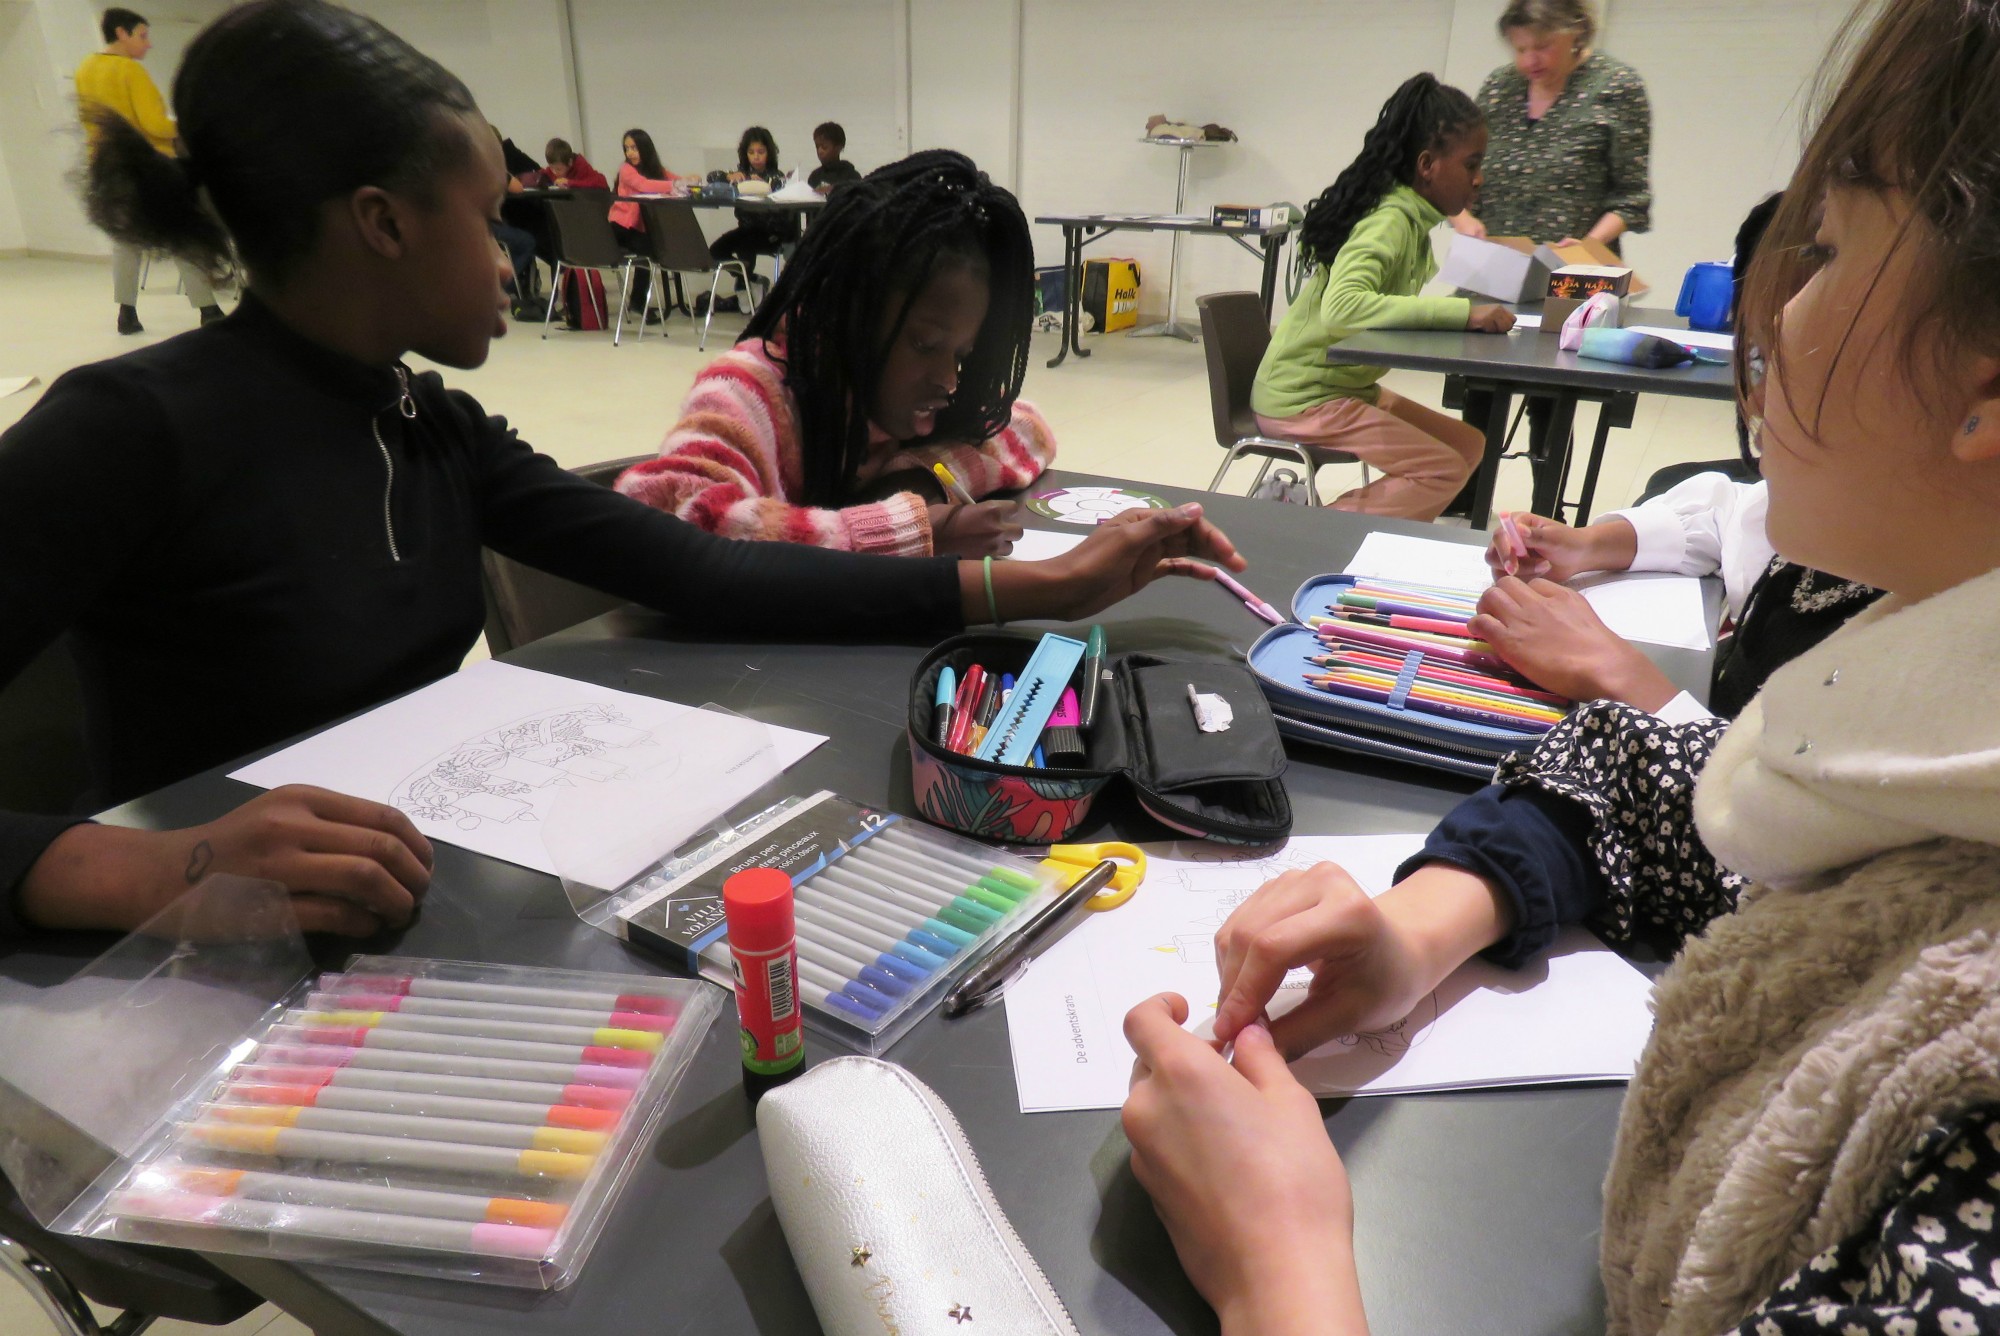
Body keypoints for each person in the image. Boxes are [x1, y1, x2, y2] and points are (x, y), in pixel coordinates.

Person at [0, 0, 1243, 947]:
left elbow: (704, 570)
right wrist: (158, 871)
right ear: (379, 222)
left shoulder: (432, 426)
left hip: (400, 915)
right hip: (192, 964)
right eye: (489, 222)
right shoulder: (129, 431)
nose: (510, 261)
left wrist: (1047, 590)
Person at [1122, 3, 2000, 1332]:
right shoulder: (1917, 756)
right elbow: (1646, 779)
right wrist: (1422, 929)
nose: (1776, 312)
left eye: (1827, 249)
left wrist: (1278, 1273)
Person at [616, 151, 1053, 556]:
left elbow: (1029, 428)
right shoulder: (749, 392)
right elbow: (670, 518)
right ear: (851, 317)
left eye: (961, 354)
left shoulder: (898, 409)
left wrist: (915, 478)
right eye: (924, 344)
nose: (950, 379)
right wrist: (910, 530)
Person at [1252, 74, 1512, 522]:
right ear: (1427, 165)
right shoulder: (1390, 219)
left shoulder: (1410, 220)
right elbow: (1343, 308)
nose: (1478, 179)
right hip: (1302, 398)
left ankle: (1387, 531)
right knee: (1440, 471)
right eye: (1471, 164)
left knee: (1468, 445)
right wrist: (1462, 315)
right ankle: (1307, 531)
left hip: (1344, 387)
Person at [1448, 0, 1651, 250]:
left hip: (1572, 272)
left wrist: (1588, 246)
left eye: (1543, 47)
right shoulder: (1499, 87)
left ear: (1576, 34)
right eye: (1520, 50)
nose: (1530, 61)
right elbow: (1455, 168)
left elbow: (1631, 198)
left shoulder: (1616, 87)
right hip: (1491, 266)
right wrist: (1461, 217)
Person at [75, 7, 223, 334]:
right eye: (142, 35)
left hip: (107, 167)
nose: (148, 44)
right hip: (150, 168)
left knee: (125, 242)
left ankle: (126, 314)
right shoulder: (131, 71)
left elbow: (90, 121)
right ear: (122, 33)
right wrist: (190, 126)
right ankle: (208, 310)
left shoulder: (86, 68)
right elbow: (154, 124)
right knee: (183, 232)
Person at [705, 126, 792, 313]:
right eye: (751, 152)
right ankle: (751, 280)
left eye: (761, 152)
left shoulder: (775, 176)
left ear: (769, 152)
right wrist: (729, 176)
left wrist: (762, 185)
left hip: (770, 233)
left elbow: (780, 186)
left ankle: (742, 285)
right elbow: (712, 176)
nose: (756, 157)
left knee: (746, 245)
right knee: (715, 251)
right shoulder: (741, 174)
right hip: (746, 229)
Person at [606, 128, 680, 318]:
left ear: (645, 149)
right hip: (620, 226)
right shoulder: (626, 170)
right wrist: (674, 186)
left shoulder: (654, 169)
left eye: (634, 148)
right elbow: (644, 186)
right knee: (648, 249)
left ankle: (639, 302)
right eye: (627, 148)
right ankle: (639, 302)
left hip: (638, 227)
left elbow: (673, 178)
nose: (630, 153)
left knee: (651, 247)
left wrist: (689, 181)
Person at [807, 121, 862, 194]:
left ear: (838, 148)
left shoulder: (852, 176)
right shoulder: (814, 176)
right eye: (817, 147)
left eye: (824, 147)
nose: (820, 151)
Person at [537, 138, 606, 191]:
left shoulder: (581, 166)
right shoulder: (550, 171)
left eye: (559, 169)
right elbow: (540, 174)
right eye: (551, 168)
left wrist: (570, 183)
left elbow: (601, 182)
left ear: (570, 162)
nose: (554, 172)